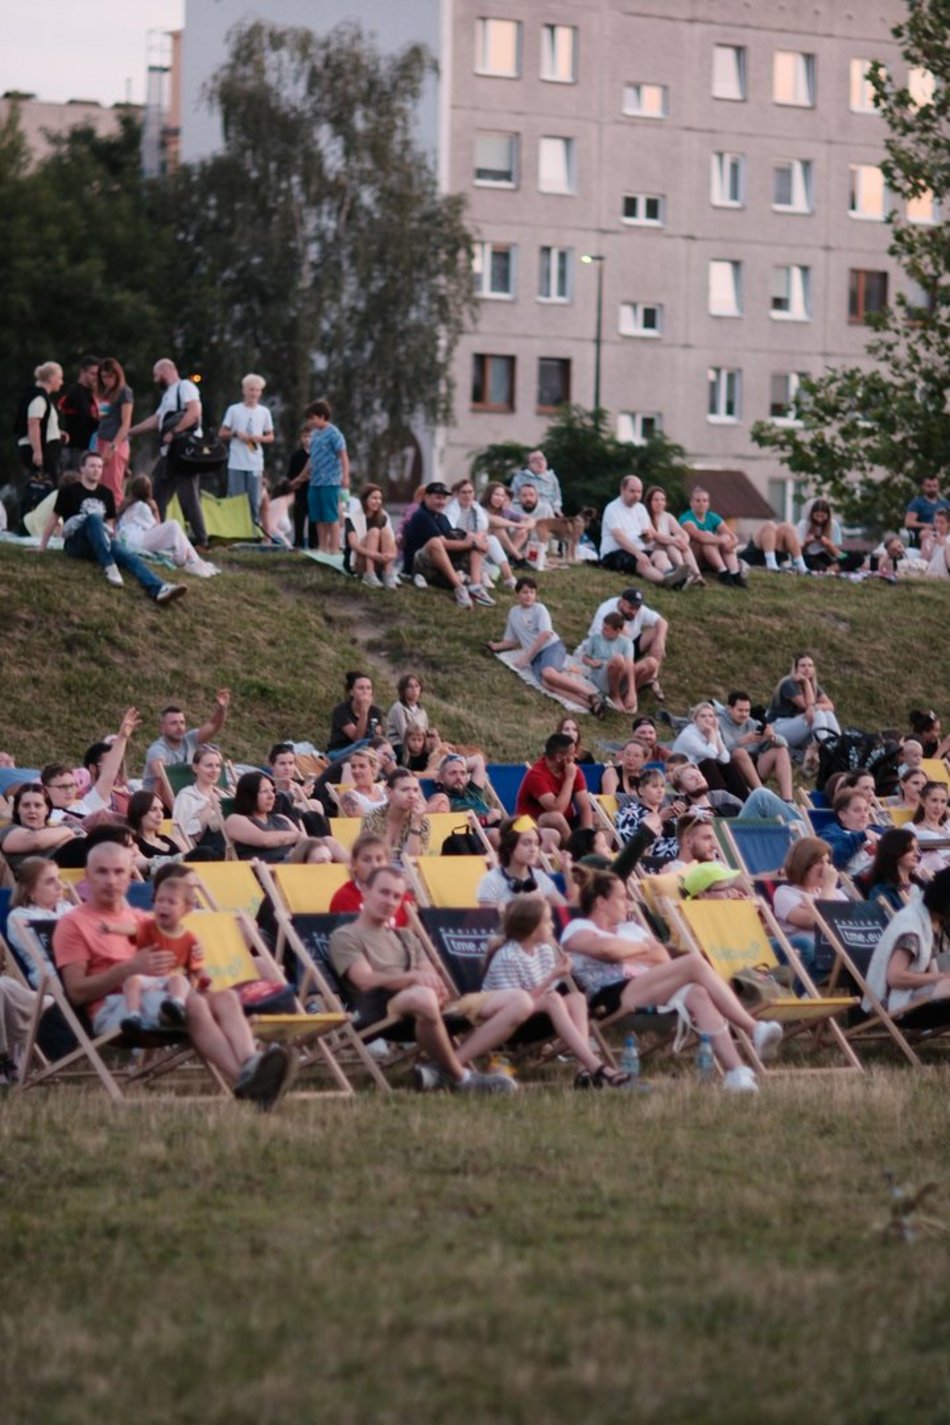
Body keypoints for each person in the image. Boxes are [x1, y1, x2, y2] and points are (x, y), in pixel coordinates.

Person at [52, 840, 296, 1105]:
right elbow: (76, 993)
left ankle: (251, 1063)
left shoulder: (141, 919)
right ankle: (247, 1081)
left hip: (162, 997)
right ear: (87, 875)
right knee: (193, 1004)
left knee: (225, 998)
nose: (111, 880)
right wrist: (128, 969)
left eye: (119, 872)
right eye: (102, 872)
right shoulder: (74, 924)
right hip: (116, 1009)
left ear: (130, 874)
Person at [562, 867, 781, 1090]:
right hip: (609, 999)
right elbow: (607, 950)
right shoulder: (578, 927)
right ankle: (753, 1028)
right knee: (694, 962)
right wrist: (642, 949)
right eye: (621, 897)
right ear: (601, 903)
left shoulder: (631, 929)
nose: (627, 902)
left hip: (647, 994)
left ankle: (736, 1073)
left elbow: (662, 958)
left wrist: (633, 950)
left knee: (699, 993)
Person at [328, 864, 521, 1092]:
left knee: (519, 1001)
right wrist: (413, 978)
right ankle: (462, 1078)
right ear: (366, 892)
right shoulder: (346, 935)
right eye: (384, 892)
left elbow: (428, 973)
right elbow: (364, 980)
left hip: (429, 1005)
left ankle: (443, 1070)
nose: (390, 901)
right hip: (381, 1009)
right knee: (423, 996)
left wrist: (433, 984)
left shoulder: (406, 936)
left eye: (397, 896)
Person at [482, 896, 632, 1088]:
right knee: (552, 999)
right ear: (531, 927)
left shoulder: (544, 950)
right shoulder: (508, 957)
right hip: (505, 1028)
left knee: (576, 998)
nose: (553, 926)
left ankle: (583, 1071)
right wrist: (553, 975)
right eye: (547, 921)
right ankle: (596, 1066)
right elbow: (511, 1007)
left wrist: (561, 974)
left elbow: (548, 996)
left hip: (534, 1018)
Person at [37, 451, 186, 606]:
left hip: (101, 541)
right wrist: (42, 546)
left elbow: (110, 524)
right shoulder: (69, 491)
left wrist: (113, 543)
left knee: (130, 557)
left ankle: (159, 588)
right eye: (92, 466)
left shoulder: (106, 493)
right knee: (93, 518)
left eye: (100, 467)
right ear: (82, 469)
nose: (96, 470)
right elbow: (53, 518)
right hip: (77, 544)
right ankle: (108, 565)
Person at [488, 576, 606, 715]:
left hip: (551, 647)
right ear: (517, 594)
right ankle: (590, 706)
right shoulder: (514, 612)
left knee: (548, 673)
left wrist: (526, 657)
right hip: (535, 656)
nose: (529, 596)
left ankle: (593, 694)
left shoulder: (539, 609)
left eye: (532, 592)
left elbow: (545, 634)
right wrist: (495, 646)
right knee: (547, 684)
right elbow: (511, 640)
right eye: (525, 592)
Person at [128, 357, 209, 553]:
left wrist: (174, 432)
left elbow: (194, 412)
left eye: (157, 375)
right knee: (158, 493)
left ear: (165, 371)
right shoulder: (168, 395)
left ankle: (201, 539)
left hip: (184, 452)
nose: (156, 379)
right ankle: (158, 533)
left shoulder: (186, 386)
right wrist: (130, 431)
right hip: (169, 454)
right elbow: (156, 420)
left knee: (187, 495)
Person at [118, 866, 200, 1034]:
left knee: (180, 983)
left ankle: (177, 1004)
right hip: (155, 978)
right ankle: (133, 1015)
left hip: (179, 979)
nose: (195, 895)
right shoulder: (154, 924)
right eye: (189, 889)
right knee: (133, 982)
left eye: (196, 888)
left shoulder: (209, 920)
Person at [862, 868, 950, 1021]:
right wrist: (941, 977)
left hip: (921, 994)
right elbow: (895, 977)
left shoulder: (935, 921)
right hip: (897, 1003)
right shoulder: (911, 929)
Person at [402, 481, 495, 608]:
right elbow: (444, 543)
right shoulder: (421, 515)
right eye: (437, 498)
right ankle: (460, 588)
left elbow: (452, 536)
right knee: (436, 542)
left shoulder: (441, 516)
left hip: (438, 565)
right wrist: (472, 544)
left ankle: (475, 587)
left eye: (444, 498)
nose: (441, 502)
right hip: (418, 566)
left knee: (476, 540)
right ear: (426, 497)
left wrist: (473, 539)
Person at [116, 474, 218, 576]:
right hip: (136, 540)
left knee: (175, 530)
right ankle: (185, 558)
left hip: (133, 538)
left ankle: (191, 557)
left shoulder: (129, 504)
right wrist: (155, 510)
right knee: (173, 525)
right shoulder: (141, 507)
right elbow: (156, 527)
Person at [772, 837, 847, 972]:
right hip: (813, 955)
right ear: (802, 864)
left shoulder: (836, 894)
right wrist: (829, 886)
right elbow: (815, 921)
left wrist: (817, 907)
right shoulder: (785, 893)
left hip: (840, 951)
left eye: (827, 862)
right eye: (819, 863)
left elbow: (850, 922)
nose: (825, 869)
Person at [600, 475, 689, 587]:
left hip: (639, 550)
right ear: (622, 490)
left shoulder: (641, 509)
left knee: (660, 554)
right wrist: (638, 553)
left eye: (639, 492)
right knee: (642, 563)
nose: (636, 495)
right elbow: (619, 537)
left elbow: (646, 538)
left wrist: (648, 536)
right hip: (614, 553)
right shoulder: (612, 509)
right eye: (632, 491)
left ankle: (669, 573)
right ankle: (666, 581)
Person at [142, 691, 231, 800]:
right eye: (174, 723)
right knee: (162, 781)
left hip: (188, 796)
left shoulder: (191, 739)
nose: (179, 727)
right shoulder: (157, 749)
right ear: (162, 728)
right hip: (158, 802)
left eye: (182, 723)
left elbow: (213, 725)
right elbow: (162, 775)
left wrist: (222, 708)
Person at [586, 587, 668, 702]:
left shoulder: (639, 610)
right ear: (622, 602)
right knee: (620, 661)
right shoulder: (606, 611)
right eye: (631, 608)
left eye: (637, 608)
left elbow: (662, 622)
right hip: (608, 651)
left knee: (657, 632)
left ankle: (651, 678)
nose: (634, 612)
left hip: (629, 646)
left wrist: (660, 639)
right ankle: (618, 692)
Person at [6, 857, 74, 987]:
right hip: (51, 977)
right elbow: (45, 952)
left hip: (80, 969)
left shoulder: (66, 907)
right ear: (31, 891)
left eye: (59, 878)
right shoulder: (19, 917)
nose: (60, 885)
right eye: (50, 882)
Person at [516, 732, 593, 844]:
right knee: (555, 818)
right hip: (533, 824)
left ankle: (596, 854)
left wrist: (588, 835)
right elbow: (557, 809)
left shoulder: (573, 770)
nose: (575, 757)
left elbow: (585, 807)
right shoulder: (536, 775)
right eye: (571, 754)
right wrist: (569, 779)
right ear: (559, 757)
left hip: (567, 822)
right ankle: (574, 852)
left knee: (597, 819)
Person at [218, 373, 275, 527]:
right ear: (244, 390)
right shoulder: (234, 410)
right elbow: (222, 433)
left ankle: (253, 529)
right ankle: (235, 529)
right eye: (251, 390)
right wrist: (236, 434)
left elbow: (270, 436)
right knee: (236, 498)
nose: (253, 394)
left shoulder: (264, 412)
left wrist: (258, 438)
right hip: (236, 462)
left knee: (254, 500)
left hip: (255, 462)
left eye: (257, 390)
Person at [717, 691, 794, 802]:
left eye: (747, 711)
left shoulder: (752, 723)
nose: (744, 714)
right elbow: (717, 753)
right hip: (731, 770)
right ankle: (762, 794)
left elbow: (785, 744)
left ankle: (788, 800)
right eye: (740, 710)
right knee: (740, 752)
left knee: (780, 750)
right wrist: (741, 741)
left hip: (754, 767)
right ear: (729, 709)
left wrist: (772, 737)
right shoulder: (718, 722)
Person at [476, 817, 565, 908]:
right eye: (526, 843)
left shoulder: (539, 877)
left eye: (536, 843)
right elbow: (488, 920)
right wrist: (523, 904)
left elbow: (568, 913)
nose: (533, 849)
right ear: (509, 846)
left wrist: (569, 871)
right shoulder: (491, 881)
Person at [446, 477, 518, 589]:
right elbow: (451, 532)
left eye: (470, 492)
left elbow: (483, 529)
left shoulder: (476, 508)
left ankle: (509, 578)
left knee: (492, 540)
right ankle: (481, 576)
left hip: (477, 544)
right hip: (459, 547)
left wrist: (478, 536)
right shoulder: (451, 510)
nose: (467, 495)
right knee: (492, 569)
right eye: (463, 492)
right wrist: (473, 537)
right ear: (457, 494)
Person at [0, 783, 85, 876]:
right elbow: (35, 840)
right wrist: (67, 831)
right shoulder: (8, 830)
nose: (32, 810)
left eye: (38, 805)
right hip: (38, 878)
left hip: (73, 876)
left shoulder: (63, 826)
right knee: (78, 845)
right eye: (26, 805)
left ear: (47, 809)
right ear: (17, 809)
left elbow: (89, 843)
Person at [672, 702, 751, 800]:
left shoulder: (712, 731)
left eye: (711, 716)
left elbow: (725, 759)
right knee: (709, 763)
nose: (707, 719)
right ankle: (721, 801)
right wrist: (713, 733)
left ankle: (744, 800)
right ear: (695, 719)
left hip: (700, 769)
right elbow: (711, 755)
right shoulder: (689, 735)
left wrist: (716, 734)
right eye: (703, 716)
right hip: (684, 772)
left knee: (729, 766)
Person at [766, 652, 841, 756]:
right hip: (778, 729)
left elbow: (830, 706)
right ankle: (823, 752)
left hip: (797, 728)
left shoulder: (814, 685)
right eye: (803, 665)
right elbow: (807, 706)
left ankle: (839, 747)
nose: (807, 669)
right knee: (818, 714)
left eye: (810, 666)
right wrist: (806, 683)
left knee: (827, 713)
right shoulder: (788, 683)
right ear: (796, 668)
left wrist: (814, 707)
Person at [328, 833, 413, 925]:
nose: (374, 865)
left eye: (379, 859)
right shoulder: (343, 898)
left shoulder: (401, 896)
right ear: (353, 864)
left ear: (387, 863)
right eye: (366, 860)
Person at [300, 398, 349, 554]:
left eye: (313, 417)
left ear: (322, 416)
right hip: (315, 481)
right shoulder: (314, 434)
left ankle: (334, 548)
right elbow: (312, 458)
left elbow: (343, 456)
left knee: (331, 516)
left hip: (331, 481)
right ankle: (322, 546)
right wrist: (302, 476)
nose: (311, 421)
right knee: (318, 516)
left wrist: (345, 476)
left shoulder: (334, 434)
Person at [225, 771, 307, 863]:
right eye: (264, 791)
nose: (271, 796)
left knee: (325, 841)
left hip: (293, 866)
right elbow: (265, 840)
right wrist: (297, 835)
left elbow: (305, 844)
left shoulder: (281, 818)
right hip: (265, 870)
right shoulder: (235, 820)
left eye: (272, 791)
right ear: (249, 795)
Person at [678, 486, 746, 587]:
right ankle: (723, 572)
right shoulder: (686, 518)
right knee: (709, 537)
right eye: (698, 501)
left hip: (711, 556)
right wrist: (720, 540)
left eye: (704, 501)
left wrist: (731, 543)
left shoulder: (712, 516)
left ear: (708, 503)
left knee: (726, 538)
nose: (701, 504)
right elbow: (697, 536)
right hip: (695, 558)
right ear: (691, 503)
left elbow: (732, 536)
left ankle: (734, 574)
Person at [16, 360, 64, 494]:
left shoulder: (43, 398)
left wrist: (57, 432)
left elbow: (43, 424)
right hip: (41, 451)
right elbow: (33, 424)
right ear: (51, 378)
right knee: (46, 488)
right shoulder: (39, 398)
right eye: (59, 378)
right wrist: (37, 452)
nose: (61, 382)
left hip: (48, 449)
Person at [361, 768, 431, 860]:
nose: (412, 795)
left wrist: (415, 825)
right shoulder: (372, 817)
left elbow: (414, 860)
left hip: (409, 872)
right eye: (405, 790)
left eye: (415, 790)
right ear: (389, 792)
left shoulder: (422, 822)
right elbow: (372, 857)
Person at [171, 745, 229, 858]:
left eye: (217, 766)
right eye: (209, 766)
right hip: (203, 849)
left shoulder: (224, 795)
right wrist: (207, 810)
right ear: (195, 768)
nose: (214, 770)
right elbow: (179, 833)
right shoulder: (186, 796)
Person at [643, 485, 704, 586]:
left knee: (681, 544)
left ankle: (697, 575)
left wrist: (684, 540)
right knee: (673, 544)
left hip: (669, 548)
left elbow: (681, 532)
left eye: (662, 500)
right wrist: (674, 540)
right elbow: (655, 535)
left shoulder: (667, 516)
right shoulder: (645, 516)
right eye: (656, 500)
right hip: (653, 550)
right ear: (649, 502)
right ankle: (683, 572)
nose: (659, 503)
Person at [577, 612, 638, 713]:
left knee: (650, 663)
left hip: (620, 675)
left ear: (618, 630)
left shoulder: (627, 643)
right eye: (603, 627)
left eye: (606, 629)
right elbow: (585, 658)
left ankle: (629, 695)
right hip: (600, 675)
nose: (602, 631)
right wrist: (592, 663)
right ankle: (615, 695)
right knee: (618, 659)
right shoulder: (596, 638)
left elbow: (630, 665)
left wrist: (632, 690)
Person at [509, 480, 583, 563]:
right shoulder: (512, 509)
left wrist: (554, 551)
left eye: (531, 495)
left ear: (537, 496)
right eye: (524, 495)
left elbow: (555, 528)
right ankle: (513, 556)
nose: (528, 498)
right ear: (519, 497)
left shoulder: (546, 508)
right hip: (518, 545)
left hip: (539, 549)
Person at [94, 356, 134, 505]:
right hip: (101, 440)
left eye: (110, 376)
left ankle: (115, 522)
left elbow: (126, 423)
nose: (106, 380)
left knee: (113, 487)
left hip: (115, 442)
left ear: (117, 375)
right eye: (103, 377)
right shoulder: (105, 392)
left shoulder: (124, 392)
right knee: (101, 484)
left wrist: (113, 446)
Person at [343, 484, 399, 589]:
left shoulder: (384, 516)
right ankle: (369, 574)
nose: (378, 501)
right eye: (374, 498)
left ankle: (388, 574)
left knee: (386, 531)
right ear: (365, 499)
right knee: (374, 532)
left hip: (380, 560)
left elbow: (392, 542)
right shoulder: (352, 518)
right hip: (359, 560)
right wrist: (374, 555)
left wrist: (391, 555)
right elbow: (353, 544)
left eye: (380, 499)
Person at [434, 753, 502, 831]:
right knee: (495, 834)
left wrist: (458, 763)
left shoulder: (472, 791)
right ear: (440, 778)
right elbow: (452, 827)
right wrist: (485, 820)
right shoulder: (443, 800)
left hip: (497, 826)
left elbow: (478, 760)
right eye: (453, 773)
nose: (459, 777)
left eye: (462, 773)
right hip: (476, 834)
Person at [57, 355, 100, 472]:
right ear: (82, 372)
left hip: (84, 447)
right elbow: (84, 419)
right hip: (75, 449)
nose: (95, 378)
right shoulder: (76, 392)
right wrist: (105, 425)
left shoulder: (88, 393)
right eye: (92, 373)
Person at [795, 497, 862, 573]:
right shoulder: (803, 524)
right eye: (817, 516)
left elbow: (837, 554)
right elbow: (797, 551)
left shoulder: (833, 525)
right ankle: (831, 569)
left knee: (857, 557)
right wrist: (806, 543)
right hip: (809, 557)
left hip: (827, 557)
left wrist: (828, 545)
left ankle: (831, 569)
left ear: (827, 516)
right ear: (812, 515)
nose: (819, 520)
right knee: (811, 562)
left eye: (822, 516)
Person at [327, 671, 384, 760]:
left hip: (367, 752)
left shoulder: (376, 712)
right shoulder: (341, 710)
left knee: (385, 749)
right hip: (339, 752)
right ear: (351, 692)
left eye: (368, 688)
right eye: (361, 688)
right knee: (366, 743)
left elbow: (377, 739)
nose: (365, 692)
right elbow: (358, 739)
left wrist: (377, 734)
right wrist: (364, 712)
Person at [864, 828, 925, 913]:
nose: (917, 854)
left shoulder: (923, 885)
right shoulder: (882, 891)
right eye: (910, 849)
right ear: (894, 850)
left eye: (917, 849)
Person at [823, 789, 880, 874]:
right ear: (842, 815)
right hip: (859, 880)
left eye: (866, 810)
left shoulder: (876, 829)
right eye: (857, 810)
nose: (864, 815)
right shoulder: (831, 833)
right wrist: (861, 836)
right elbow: (832, 857)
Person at [126, 789, 186, 866]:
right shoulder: (133, 844)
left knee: (202, 852)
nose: (160, 815)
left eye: (161, 809)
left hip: (186, 874)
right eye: (153, 809)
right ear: (139, 812)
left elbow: (194, 861)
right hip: (164, 876)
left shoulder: (174, 838)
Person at [480, 481, 534, 562]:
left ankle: (509, 557)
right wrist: (517, 525)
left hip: (503, 544)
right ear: (489, 495)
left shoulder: (505, 511)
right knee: (499, 528)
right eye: (496, 495)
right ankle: (518, 557)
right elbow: (493, 520)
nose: (499, 498)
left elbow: (531, 519)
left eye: (502, 496)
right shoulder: (480, 508)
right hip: (484, 542)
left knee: (523, 531)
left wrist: (525, 526)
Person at [737, 518, 809, 575]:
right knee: (769, 525)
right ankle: (771, 565)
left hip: (776, 557)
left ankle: (802, 567)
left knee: (787, 527)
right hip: (754, 556)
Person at [384, 673, 429, 755]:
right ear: (403, 690)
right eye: (410, 687)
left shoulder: (422, 710)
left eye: (416, 686)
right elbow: (404, 734)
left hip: (418, 744)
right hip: (399, 745)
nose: (414, 690)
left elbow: (425, 731)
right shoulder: (398, 708)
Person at [338, 749, 388, 818]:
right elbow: (365, 824)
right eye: (353, 767)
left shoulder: (383, 789)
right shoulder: (348, 798)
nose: (356, 771)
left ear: (373, 768)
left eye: (362, 766)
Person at [904, 474, 948, 548]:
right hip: (928, 534)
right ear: (923, 486)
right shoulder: (917, 503)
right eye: (929, 486)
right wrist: (924, 525)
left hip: (945, 532)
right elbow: (908, 522)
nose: (932, 488)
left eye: (935, 486)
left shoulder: (945, 504)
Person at [921, 506, 950, 579]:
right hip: (931, 570)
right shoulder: (930, 537)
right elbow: (924, 560)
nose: (938, 525)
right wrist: (929, 544)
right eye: (936, 521)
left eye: (942, 522)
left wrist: (945, 544)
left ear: (948, 524)